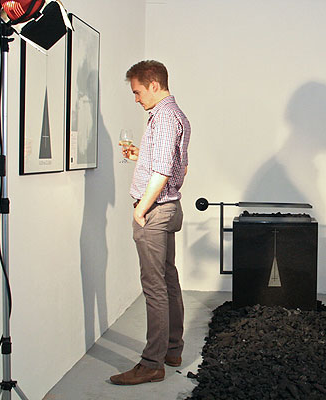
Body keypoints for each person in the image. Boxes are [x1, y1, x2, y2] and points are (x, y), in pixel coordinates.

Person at [110, 60, 191, 385]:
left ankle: (151, 364)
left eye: (137, 91)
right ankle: (172, 350)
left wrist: (141, 209)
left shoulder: (165, 118)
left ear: (153, 85)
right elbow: (180, 167)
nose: (136, 98)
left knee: (154, 286)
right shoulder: (175, 115)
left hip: (155, 212)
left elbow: (163, 171)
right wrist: (139, 157)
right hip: (168, 208)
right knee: (168, 279)